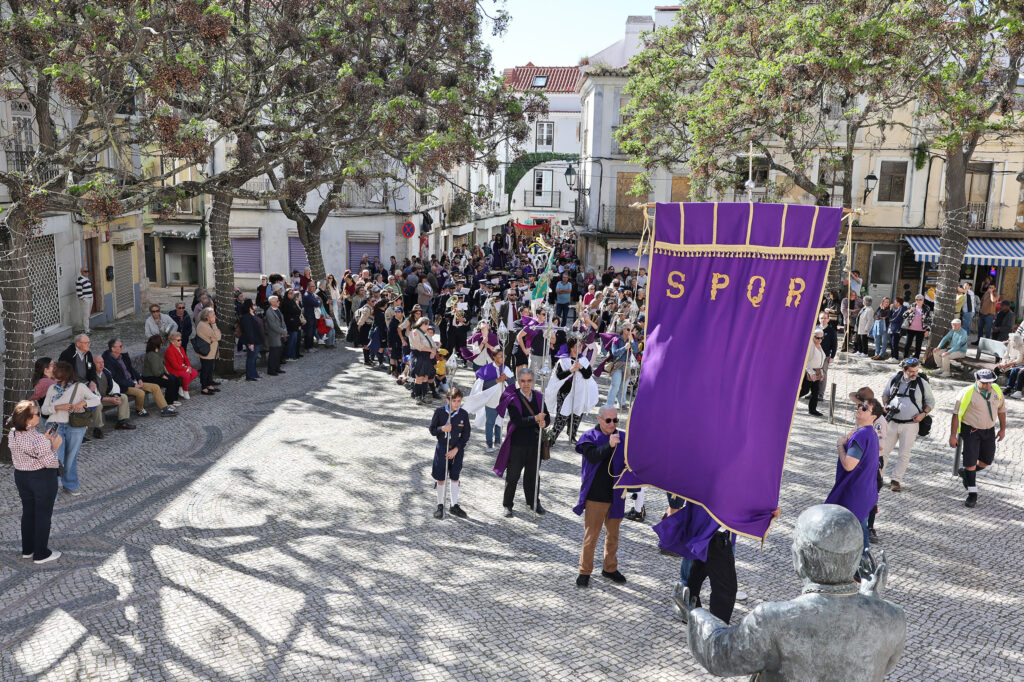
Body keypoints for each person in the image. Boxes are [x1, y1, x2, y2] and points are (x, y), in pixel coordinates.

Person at [678, 505, 905, 682]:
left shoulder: (771, 620)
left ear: (800, 559)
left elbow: (719, 655)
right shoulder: (893, 618)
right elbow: (876, 661)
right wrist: (869, 599)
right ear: (857, 558)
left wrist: (695, 613)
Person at [573, 406, 627, 587]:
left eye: (615, 420)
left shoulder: (623, 438)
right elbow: (592, 456)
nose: (613, 424)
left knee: (613, 537)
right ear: (599, 419)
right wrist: (609, 445)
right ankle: (584, 570)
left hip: (617, 495)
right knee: (591, 536)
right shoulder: (589, 437)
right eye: (608, 420)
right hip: (596, 495)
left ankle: (609, 568)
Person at [826, 398, 884, 563]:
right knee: (861, 532)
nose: (860, 408)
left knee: (854, 534)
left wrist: (840, 445)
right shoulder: (869, 433)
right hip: (863, 493)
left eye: (865, 408)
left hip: (854, 495)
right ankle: (863, 571)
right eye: (860, 405)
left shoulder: (862, 435)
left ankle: (860, 572)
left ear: (873, 417)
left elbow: (849, 465)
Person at [7, 400, 62, 563]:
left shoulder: (13, 433)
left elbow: (30, 449)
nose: (39, 415)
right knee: (43, 515)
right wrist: (54, 446)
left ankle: (28, 550)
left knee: (28, 512)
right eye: (37, 414)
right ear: (28, 420)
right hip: (42, 479)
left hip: (22, 477)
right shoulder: (39, 441)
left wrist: (45, 442)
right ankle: (41, 554)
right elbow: (51, 463)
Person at [40, 361, 100, 496]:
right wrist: (57, 407)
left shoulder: (79, 387)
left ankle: (70, 484)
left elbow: (96, 400)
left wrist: (84, 402)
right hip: (55, 426)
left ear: (64, 374)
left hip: (76, 426)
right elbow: (44, 410)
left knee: (71, 457)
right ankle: (51, 491)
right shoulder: (52, 388)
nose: (53, 375)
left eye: (56, 373)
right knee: (56, 458)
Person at [498, 368, 549, 517]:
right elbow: (517, 421)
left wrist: (543, 423)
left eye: (529, 381)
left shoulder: (539, 397)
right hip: (517, 444)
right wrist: (535, 419)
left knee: (533, 476)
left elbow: (547, 417)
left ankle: (534, 502)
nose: (526, 384)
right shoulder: (513, 399)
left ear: (533, 382)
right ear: (519, 382)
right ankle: (507, 505)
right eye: (523, 381)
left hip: (534, 444)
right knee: (513, 476)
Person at [952, 369, 1007, 508]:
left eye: (990, 382)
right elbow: (955, 415)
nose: (988, 386)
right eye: (984, 383)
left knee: (985, 461)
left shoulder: (996, 391)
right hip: (971, 430)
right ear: (976, 380)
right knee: (970, 462)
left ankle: (966, 473)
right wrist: (953, 435)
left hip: (988, 430)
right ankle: (972, 494)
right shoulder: (966, 393)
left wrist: (1002, 429)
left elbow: (1001, 410)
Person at [879, 358, 934, 492]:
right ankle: (877, 477)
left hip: (910, 425)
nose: (914, 373)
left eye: (916, 371)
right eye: (911, 371)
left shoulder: (922, 383)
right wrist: (885, 405)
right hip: (891, 422)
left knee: (904, 454)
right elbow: (885, 395)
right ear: (904, 370)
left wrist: (923, 414)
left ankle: (896, 480)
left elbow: (930, 402)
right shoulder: (894, 379)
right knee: (883, 451)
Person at [102, 339, 179, 417]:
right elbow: (116, 379)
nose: (122, 347)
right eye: (120, 346)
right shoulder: (108, 361)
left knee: (155, 387)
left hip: (133, 381)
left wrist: (139, 379)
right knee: (140, 393)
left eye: (122, 345)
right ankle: (139, 409)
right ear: (113, 349)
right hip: (123, 386)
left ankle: (164, 409)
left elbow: (132, 370)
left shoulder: (122, 357)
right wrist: (133, 385)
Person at [428, 387, 472, 520]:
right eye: (454, 401)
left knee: (455, 476)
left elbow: (466, 434)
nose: (457, 404)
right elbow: (432, 429)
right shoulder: (440, 412)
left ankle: (454, 505)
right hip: (442, 448)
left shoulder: (463, 414)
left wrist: (456, 449)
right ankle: (440, 505)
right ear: (448, 400)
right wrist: (442, 428)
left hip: (457, 450)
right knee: (441, 477)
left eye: (459, 401)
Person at [545, 338, 599, 445]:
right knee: (561, 416)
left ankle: (572, 435)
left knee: (577, 415)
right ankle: (552, 437)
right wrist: (571, 370)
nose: (580, 348)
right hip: (564, 393)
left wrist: (581, 368)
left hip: (579, 393)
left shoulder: (583, 360)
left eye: (580, 346)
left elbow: (588, 375)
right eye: (577, 346)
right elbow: (559, 376)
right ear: (571, 347)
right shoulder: (563, 360)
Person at [91, 355, 135, 436]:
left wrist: (116, 395)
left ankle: (121, 422)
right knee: (97, 405)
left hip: (106, 397)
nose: (101, 364)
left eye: (102, 362)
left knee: (123, 397)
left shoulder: (106, 372)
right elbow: (93, 395)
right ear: (93, 364)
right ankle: (98, 429)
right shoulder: (90, 375)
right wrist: (109, 399)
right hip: (95, 399)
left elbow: (114, 385)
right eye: (98, 363)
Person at [604, 324, 640, 408]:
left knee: (624, 386)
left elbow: (636, 350)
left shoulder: (632, 339)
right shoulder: (616, 339)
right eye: (628, 329)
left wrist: (631, 341)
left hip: (628, 365)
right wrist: (624, 347)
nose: (630, 332)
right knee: (615, 385)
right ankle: (609, 404)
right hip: (618, 365)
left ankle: (621, 403)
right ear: (623, 330)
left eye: (631, 330)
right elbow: (614, 353)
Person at [142, 335, 182, 404]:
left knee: (175, 379)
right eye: (161, 341)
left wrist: (165, 374)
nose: (162, 342)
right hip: (149, 378)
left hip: (157, 374)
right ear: (158, 343)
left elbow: (162, 365)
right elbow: (155, 371)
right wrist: (162, 376)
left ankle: (173, 399)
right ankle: (168, 402)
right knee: (170, 381)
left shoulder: (158, 352)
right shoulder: (152, 355)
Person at [195, 308, 222, 394]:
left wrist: (213, 337)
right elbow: (218, 337)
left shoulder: (206, 324)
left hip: (211, 352)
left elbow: (215, 337)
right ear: (207, 317)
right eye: (213, 315)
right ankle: (204, 387)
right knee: (206, 369)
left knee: (209, 369)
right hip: (207, 352)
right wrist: (214, 324)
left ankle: (209, 384)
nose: (215, 316)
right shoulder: (203, 325)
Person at [800, 328, 826, 416]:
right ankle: (789, 401)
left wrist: (821, 372)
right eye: (817, 338)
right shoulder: (810, 346)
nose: (819, 340)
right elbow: (805, 361)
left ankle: (812, 409)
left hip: (817, 371)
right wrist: (811, 372)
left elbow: (821, 360)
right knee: (804, 390)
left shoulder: (819, 345)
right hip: (810, 371)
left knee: (816, 392)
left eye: (821, 338)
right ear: (813, 337)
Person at [164, 332, 199, 398]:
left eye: (180, 340)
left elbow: (186, 359)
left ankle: (181, 386)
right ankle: (185, 390)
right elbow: (175, 365)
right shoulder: (169, 350)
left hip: (181, 367)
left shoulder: (181, 348)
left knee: (194, 372)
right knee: (186, 374)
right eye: (178, 340)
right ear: (172, 341)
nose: (180, 342)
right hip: (172, 369)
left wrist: (189, 367)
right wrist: (186, 369)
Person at [239, 298, 264, 381]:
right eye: (253, 305)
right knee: (251, 358)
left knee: (254, 358)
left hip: (257, 340)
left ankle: (254, 374)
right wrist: (251, 343)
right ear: (250, 307)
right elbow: (248, 331)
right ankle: (250, 375)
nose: (255, 306)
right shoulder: (246, 317)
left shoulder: (253, 315)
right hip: (252, 341)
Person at [900, 294, 931, 359]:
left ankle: (916, 359)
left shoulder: (926, 308)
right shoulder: (912, 306)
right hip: (910, 329)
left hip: (921, 330)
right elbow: (903, 316)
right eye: (917, 299)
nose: (918, 301)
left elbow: (929, 320)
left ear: (923, 300)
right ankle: (905, 358)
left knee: (918, 345)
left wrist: (927, 330)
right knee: (908, 344)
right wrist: (910, 310)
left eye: (920, 299)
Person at [264, 295, 287, 376]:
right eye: (277, 301)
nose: (279, 302)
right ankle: (271, 370)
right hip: (274, 335)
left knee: (279, 352)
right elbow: (273, 326)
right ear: (272, 302)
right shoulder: (269, 312)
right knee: (273, 353)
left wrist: (284, 331)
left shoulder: (278, 310)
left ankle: (277, 368)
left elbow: (282, 321)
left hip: (280, 334)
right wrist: (283, 332)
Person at [281, 289, 303, 360]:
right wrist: (296, 312)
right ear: (287, 294)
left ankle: (293, 355)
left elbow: (298, 310)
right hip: (290, 324)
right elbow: (293, 311)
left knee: (294, 340)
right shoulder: (285, 302)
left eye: (292, 293)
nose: (292, 294)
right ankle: (289, 356)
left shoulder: (292, 301)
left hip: (295, 323)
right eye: (290, 293)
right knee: (291, 341)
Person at [76, 267, 94, 335]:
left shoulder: (87, 279)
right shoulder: (79, 280)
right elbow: (78, 291)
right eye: (85, 271)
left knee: (88, 314)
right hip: (85, 299)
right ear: (81, 272)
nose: (87, 273)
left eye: (87, 271)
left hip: (90, 298)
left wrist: (91, 296)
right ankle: (86, 330)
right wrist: (83, 299)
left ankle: (87, 328)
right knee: (86, 315)